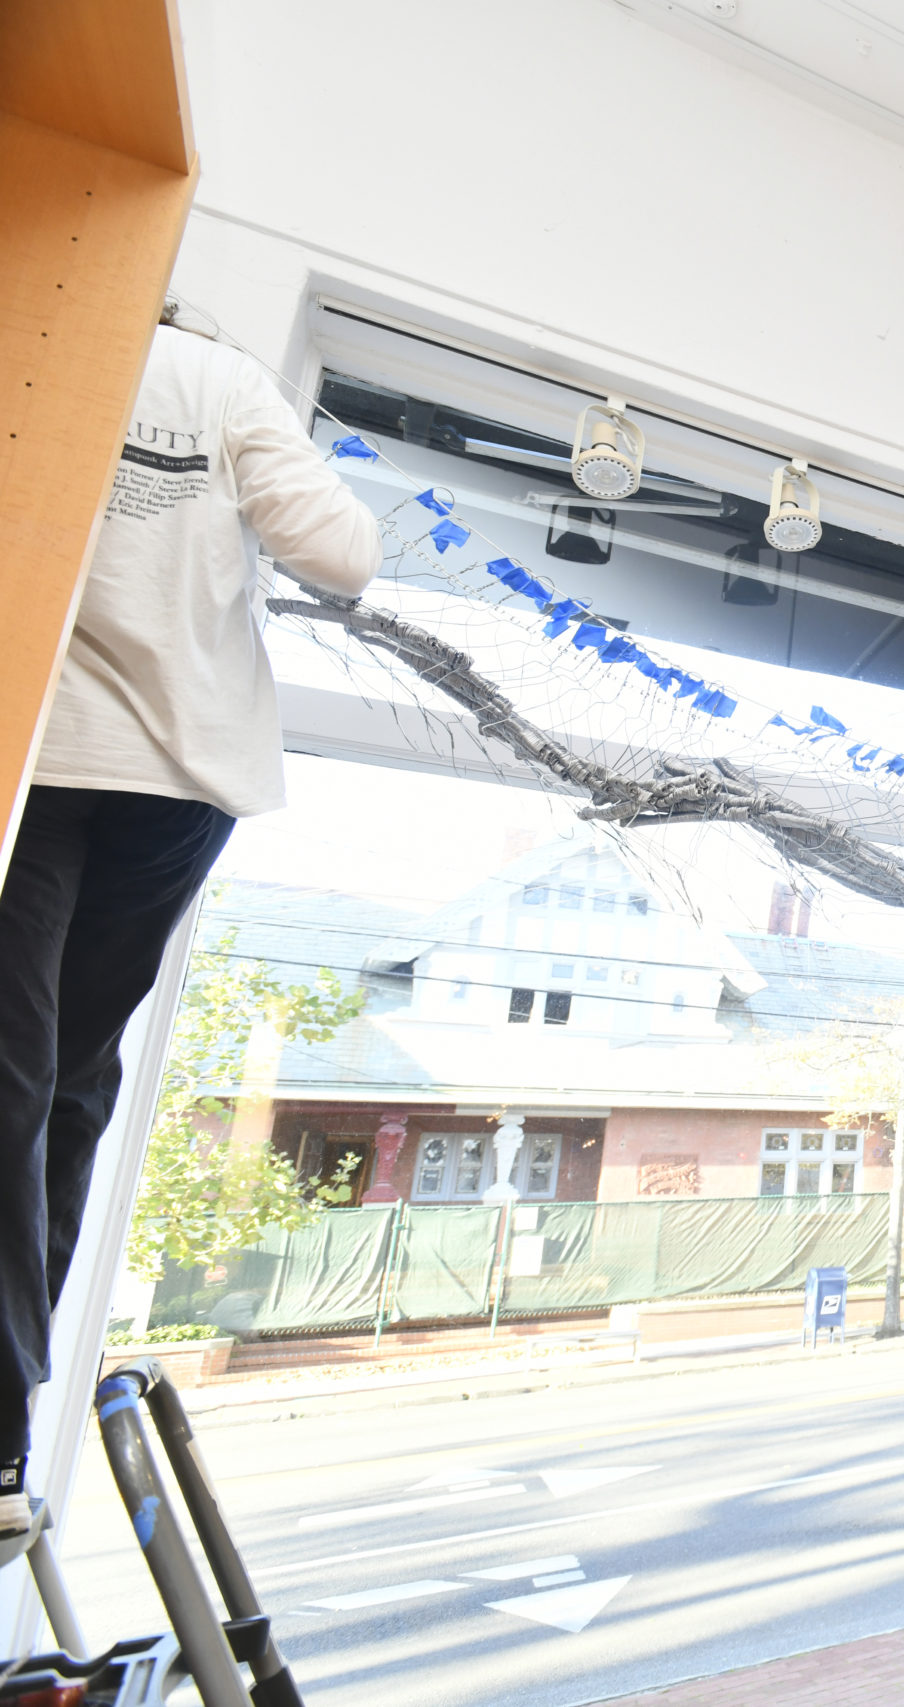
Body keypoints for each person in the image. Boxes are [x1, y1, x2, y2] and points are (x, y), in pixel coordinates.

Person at [0, 308, 382, 1535]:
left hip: (45, 753)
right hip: (177, 781)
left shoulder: (38, 347)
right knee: (66, 1081)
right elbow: (343, 551)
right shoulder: (220, 380)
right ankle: (8, 1413)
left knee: (21, 1073)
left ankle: (2, 1426)